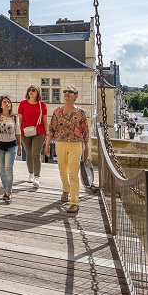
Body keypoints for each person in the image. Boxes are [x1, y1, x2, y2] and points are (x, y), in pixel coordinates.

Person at [45, 85, 89, 214]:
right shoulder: (57, 111)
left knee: (73, 173)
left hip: (76, 144)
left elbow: (85, 130)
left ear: (76, 96)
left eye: (70, 92)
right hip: (60, 143)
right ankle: (66, 189)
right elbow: (51, 129)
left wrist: (86, 147)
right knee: (62, 171)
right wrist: (47, 144)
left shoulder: (80, 112)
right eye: (65, 91)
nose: (67, 93)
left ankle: (74, 202)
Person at [18, 85, 48, 188]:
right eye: (29, 90)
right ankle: (30, 174)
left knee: (36, 154)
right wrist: (17, 131)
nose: (31, 92)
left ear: (37, 92)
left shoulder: (42, 104)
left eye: (33, 90)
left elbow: (45, 120)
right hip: (25, 131)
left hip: (39, 131)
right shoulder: (23, 103)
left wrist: (47, 133)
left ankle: (37, 177)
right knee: (29, 153)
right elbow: (20, 119)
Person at [0, 95, 21, 204]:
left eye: (9, 102)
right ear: (1, 105)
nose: (7, 104)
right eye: (5, 102)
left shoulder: (15, 117)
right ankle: (5, 188)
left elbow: (18, 132)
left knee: (8, 169)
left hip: (11, 145)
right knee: (1, 170)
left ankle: (8, 192)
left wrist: (19, 146)